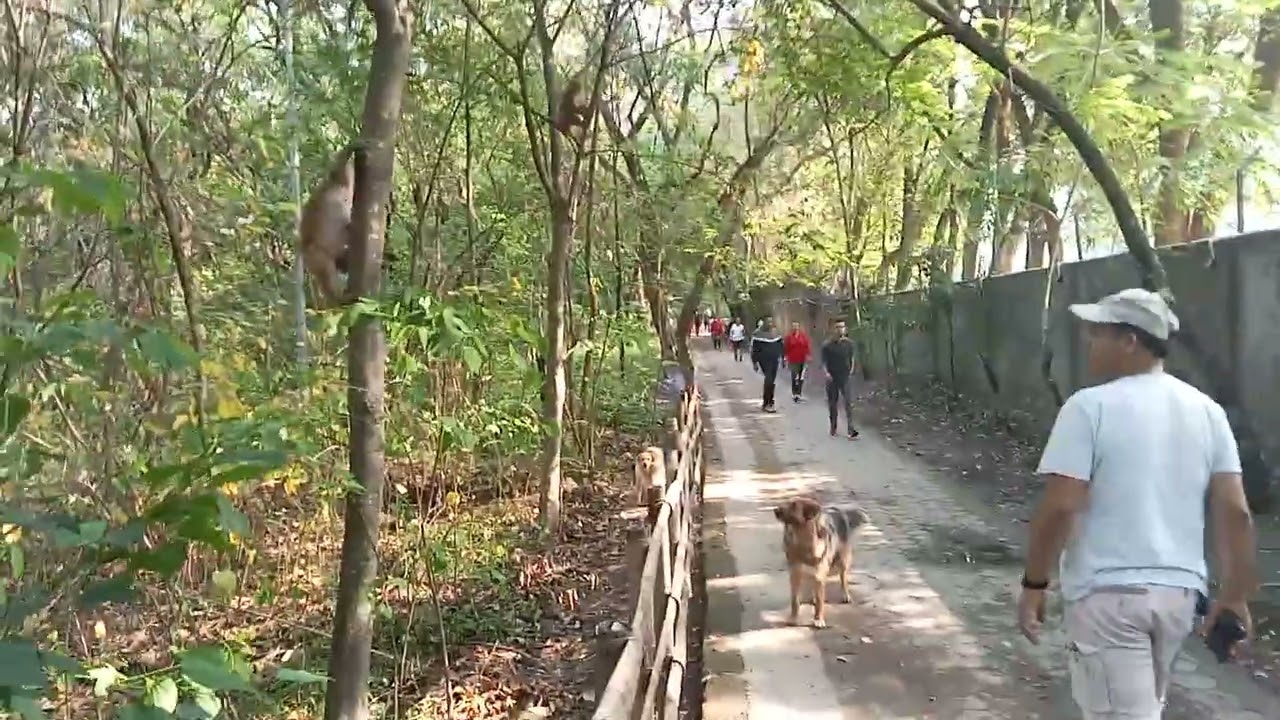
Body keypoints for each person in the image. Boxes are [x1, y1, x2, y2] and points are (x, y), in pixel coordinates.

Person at [1016, 288, 1258, 720]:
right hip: (1179, 598)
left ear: (1130, 340)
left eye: (1098, 333)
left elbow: (1060, 507)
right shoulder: (1207, 412)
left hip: (1108, 596)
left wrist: (1035, 584)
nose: (1089, 342)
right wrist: (1235, 595)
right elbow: (1236, 511)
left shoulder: (1088, 408)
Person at [820, 320, 859, 439]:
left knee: (848, 402)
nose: (840, 329)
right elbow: (823, 362)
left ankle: (851, 428)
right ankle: (833, 426)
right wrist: (826, 373)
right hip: (832, 377)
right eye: (838, 327)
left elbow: (852, 357)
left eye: (842, 327)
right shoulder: (827, 345)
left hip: (845, 376)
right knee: (833, 403)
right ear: (833, 329)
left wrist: (852, 368)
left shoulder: (849, 344)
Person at [750, 317, 783, 412]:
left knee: (772, 381)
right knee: (768, 379)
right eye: (768, 322)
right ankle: (767, 402)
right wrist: (754, 363)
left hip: (774, 360)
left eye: (771, 322)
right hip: (764, 360)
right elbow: (754, 350)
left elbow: (781, 346)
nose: (770, 323)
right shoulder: (758, 334)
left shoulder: (776, 333)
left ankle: (770, 401)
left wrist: (783, 358)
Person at [783, 321, 811, 402]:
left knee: (801, 377)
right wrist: (785, 357)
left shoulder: (803, 336)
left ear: (799, 327)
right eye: (794, 326)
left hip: (802, 359)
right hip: (793, 359)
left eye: (797, 326)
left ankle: (799, 393)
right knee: (794, 376)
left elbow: (807, 346)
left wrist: (808, 355)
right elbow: (786, 348)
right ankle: (794, 393)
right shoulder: (789, 337)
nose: (795, 328)